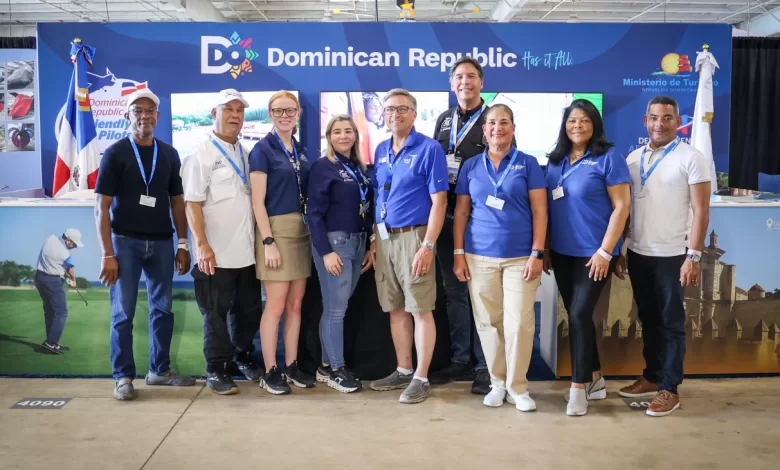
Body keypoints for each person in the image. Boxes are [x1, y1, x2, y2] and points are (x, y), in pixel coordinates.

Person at [95, 88, 195, 401]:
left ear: (158, 116)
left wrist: (183, 244)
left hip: (163, 243)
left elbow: (177, 202)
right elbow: (101, 207)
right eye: (138, 110)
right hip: (125, 244)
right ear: (128, 116)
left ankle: (159, 371)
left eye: (149, 110)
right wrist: (107, 254)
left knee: (163, 310)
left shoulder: (169, 154)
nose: (144, 116)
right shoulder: (115, 153)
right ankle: (123, 377)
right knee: (123, 313)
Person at [618, 96, 711, 417]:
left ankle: (670, 389)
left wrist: (693, 256)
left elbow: (701, 212)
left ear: (679, 122)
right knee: (649, 319)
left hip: (673, 255)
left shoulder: (692, 158)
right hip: (639, 253)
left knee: (671, 323)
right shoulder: (633, 158)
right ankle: (652, 375)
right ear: (645, 122)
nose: (660, 124)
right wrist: (622, 249)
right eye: (655, 118)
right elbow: (627, 210)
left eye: (667, 118)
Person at [452, 104, 547, 410]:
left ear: (513, 128)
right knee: (489, 323)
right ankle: (497, 383)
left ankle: (518, 388)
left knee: (519, 324)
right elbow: (462, 212)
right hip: (478, 256)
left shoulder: (528, 164)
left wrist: (537, 253)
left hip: (521, 258)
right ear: (484, 130)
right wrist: (458, 253)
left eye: (504, 122)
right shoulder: (471, 166)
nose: (497, 128)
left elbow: (540, 211)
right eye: (492, 123)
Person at [543, 99, 631, 416]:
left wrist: (607, 251)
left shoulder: (609, 158)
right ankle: (596, 378)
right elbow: (549, 209)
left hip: (595, 254)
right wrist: (547, 249)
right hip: (562, 253)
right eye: (572, 120)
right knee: (576, 315)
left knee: (580, 314)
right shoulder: (555, 162)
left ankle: (578, 388)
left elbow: (622, 207)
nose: (577, 125)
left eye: (584, 120)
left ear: (595, 125)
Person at [181, 89, 265, 395]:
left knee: (248, 312)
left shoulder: (247, 153)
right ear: (213, 114)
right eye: (228, 109)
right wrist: (201, 244)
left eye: (239, 111)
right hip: (216, 253)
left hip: (247, 253)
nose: (235, 115)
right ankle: (216, 369)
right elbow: (191, 203)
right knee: (215, 315)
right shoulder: (201, 154)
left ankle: (241, 357)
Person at [367, 88, 448, 404]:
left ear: (414, 113)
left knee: (420, 308)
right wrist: (374, 238)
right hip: (385, 238)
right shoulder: (381, 149)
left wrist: (428, 246)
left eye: (402, 108)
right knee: (396, 307)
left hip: (415, 237)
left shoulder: (429, 149)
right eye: (389, 109)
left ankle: (421, 377)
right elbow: (380, 196)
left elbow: (439, 202)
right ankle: (403, 369)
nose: (395, 114)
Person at [430, 56, 490, 394]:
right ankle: (460, 359)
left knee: (480, 291)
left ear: (481, 82)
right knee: (454, 292)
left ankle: (484, 365)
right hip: (445, 216)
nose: (464, 82)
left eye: (470, 76)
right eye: (458, 77)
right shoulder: (443, 119)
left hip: (479, 219)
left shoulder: (493, 118)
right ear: (452, 84)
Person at [249, 90, 315, 395]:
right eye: (278, 111)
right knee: (275, 306)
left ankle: (291, 365)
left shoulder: (301, 150)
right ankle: (270, 370)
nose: (284, 115)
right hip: (275, 230)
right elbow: (257, 202)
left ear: (298, 113)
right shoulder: (262, 150)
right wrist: (268, 241)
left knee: (295, 305)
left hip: (301, 231)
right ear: (270, 114)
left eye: (290, 110)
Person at [308, 114, 374, 393]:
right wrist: (325, 252)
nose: (344, 136)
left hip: (358, 242)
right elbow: (313, 213)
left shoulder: (359, 167)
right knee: (336, 309)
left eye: (348, 131)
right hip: (335, 244)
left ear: (355, 135)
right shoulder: (323, 167)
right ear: (329, 137)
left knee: (338, 306)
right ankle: (337, 369)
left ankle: (325, 365)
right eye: (337, 131)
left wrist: (370, 243)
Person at [35, 228, 84, 354]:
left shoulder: (50, 239)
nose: (75, 247)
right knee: (62, 312)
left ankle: (51, 341)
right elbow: (69, 269)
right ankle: (51, 343)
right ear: (68, 240)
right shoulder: (64, 254)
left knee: (50, 310)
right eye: (74, 244)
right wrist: (73, 280)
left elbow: (55, 264)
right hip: (53, 282)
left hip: (40, 278)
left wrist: (65, 274)